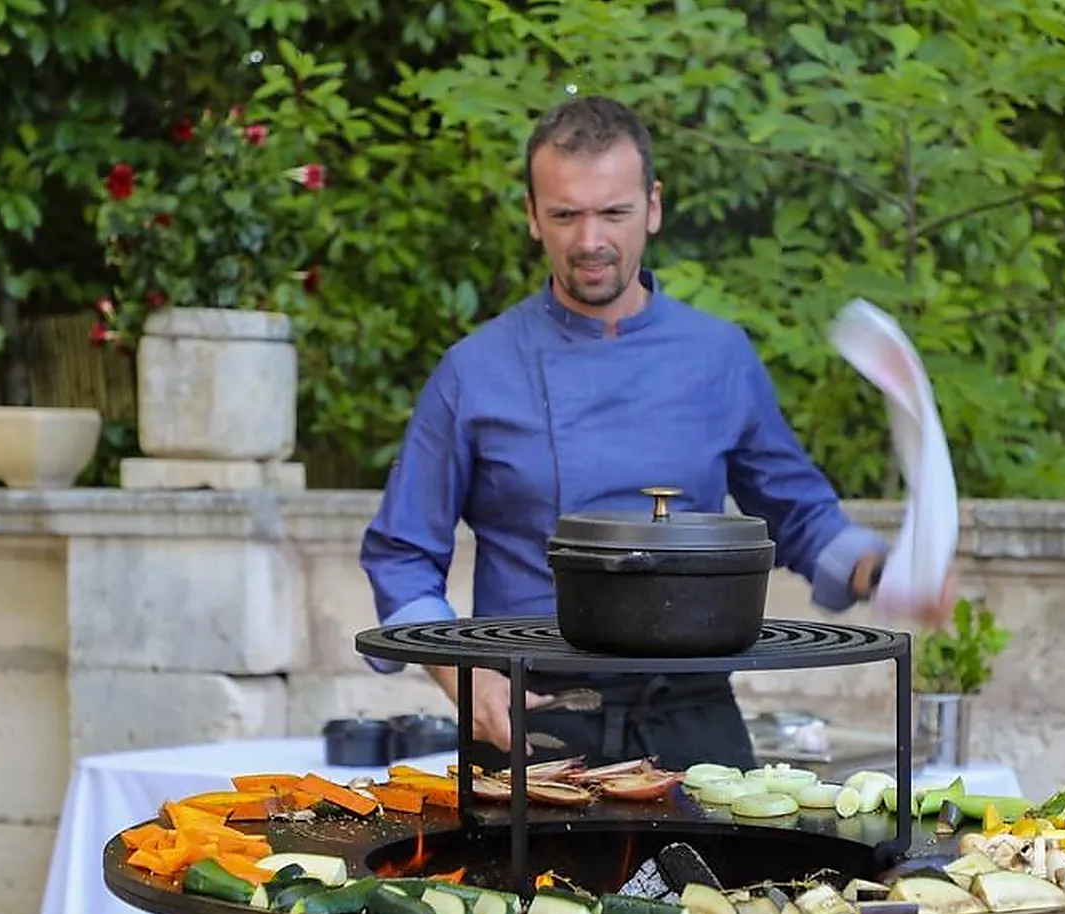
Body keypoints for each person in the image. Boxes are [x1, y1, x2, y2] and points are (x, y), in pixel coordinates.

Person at [359, 94, 954, 773]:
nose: (590, 240)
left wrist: (885, 570)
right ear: (531, 214)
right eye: (565, 215)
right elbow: (401, 552)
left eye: (613, 212)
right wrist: (461, 676)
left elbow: (798, 513)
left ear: (653, 206)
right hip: (532, 725)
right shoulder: (475, 370)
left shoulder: (718, 356)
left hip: (694, 724)